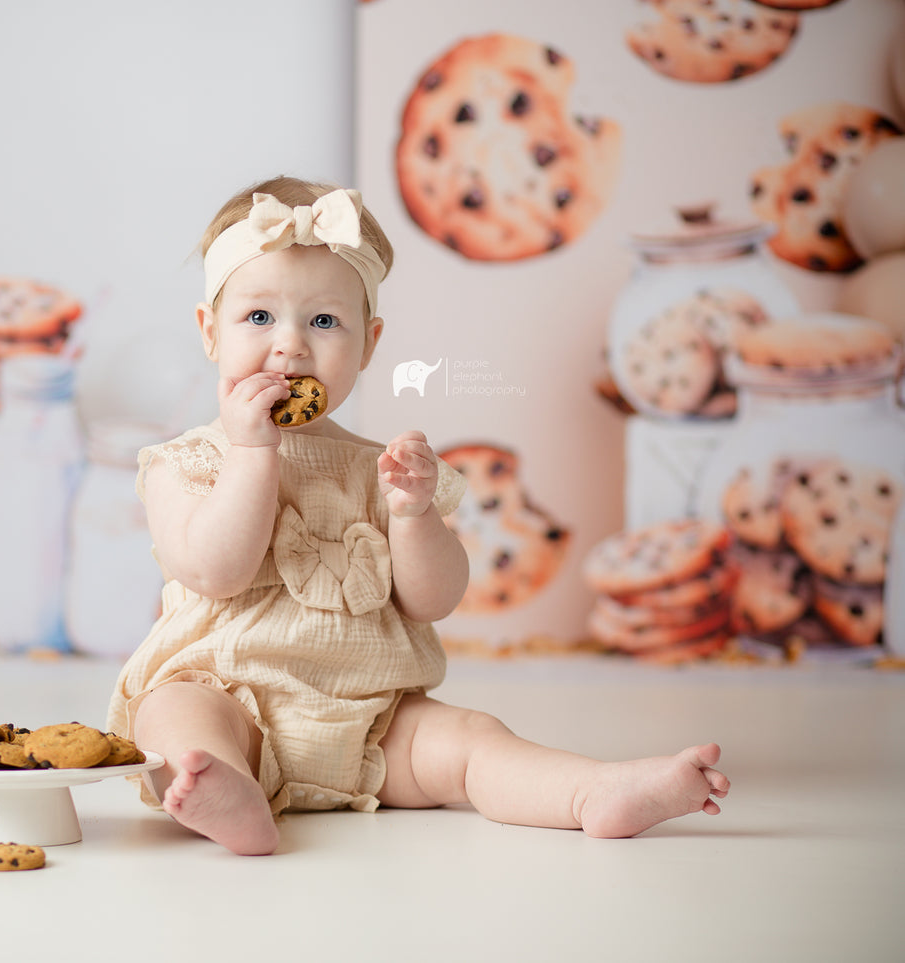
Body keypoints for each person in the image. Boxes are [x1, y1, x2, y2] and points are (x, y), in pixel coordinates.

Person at [105, 176, 729, 856]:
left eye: (323, 321)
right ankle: (229, 792)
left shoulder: (384, 466)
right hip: (230, 702)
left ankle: (591, 791)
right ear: (208, 331)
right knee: (170, 715)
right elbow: (216, 571)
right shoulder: (186, 462)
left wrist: (412, 514)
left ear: (368, 345)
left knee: (471, 738)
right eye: (258, 318)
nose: (290, 346)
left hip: (374, 722)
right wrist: (253, 451)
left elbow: (433, 599)